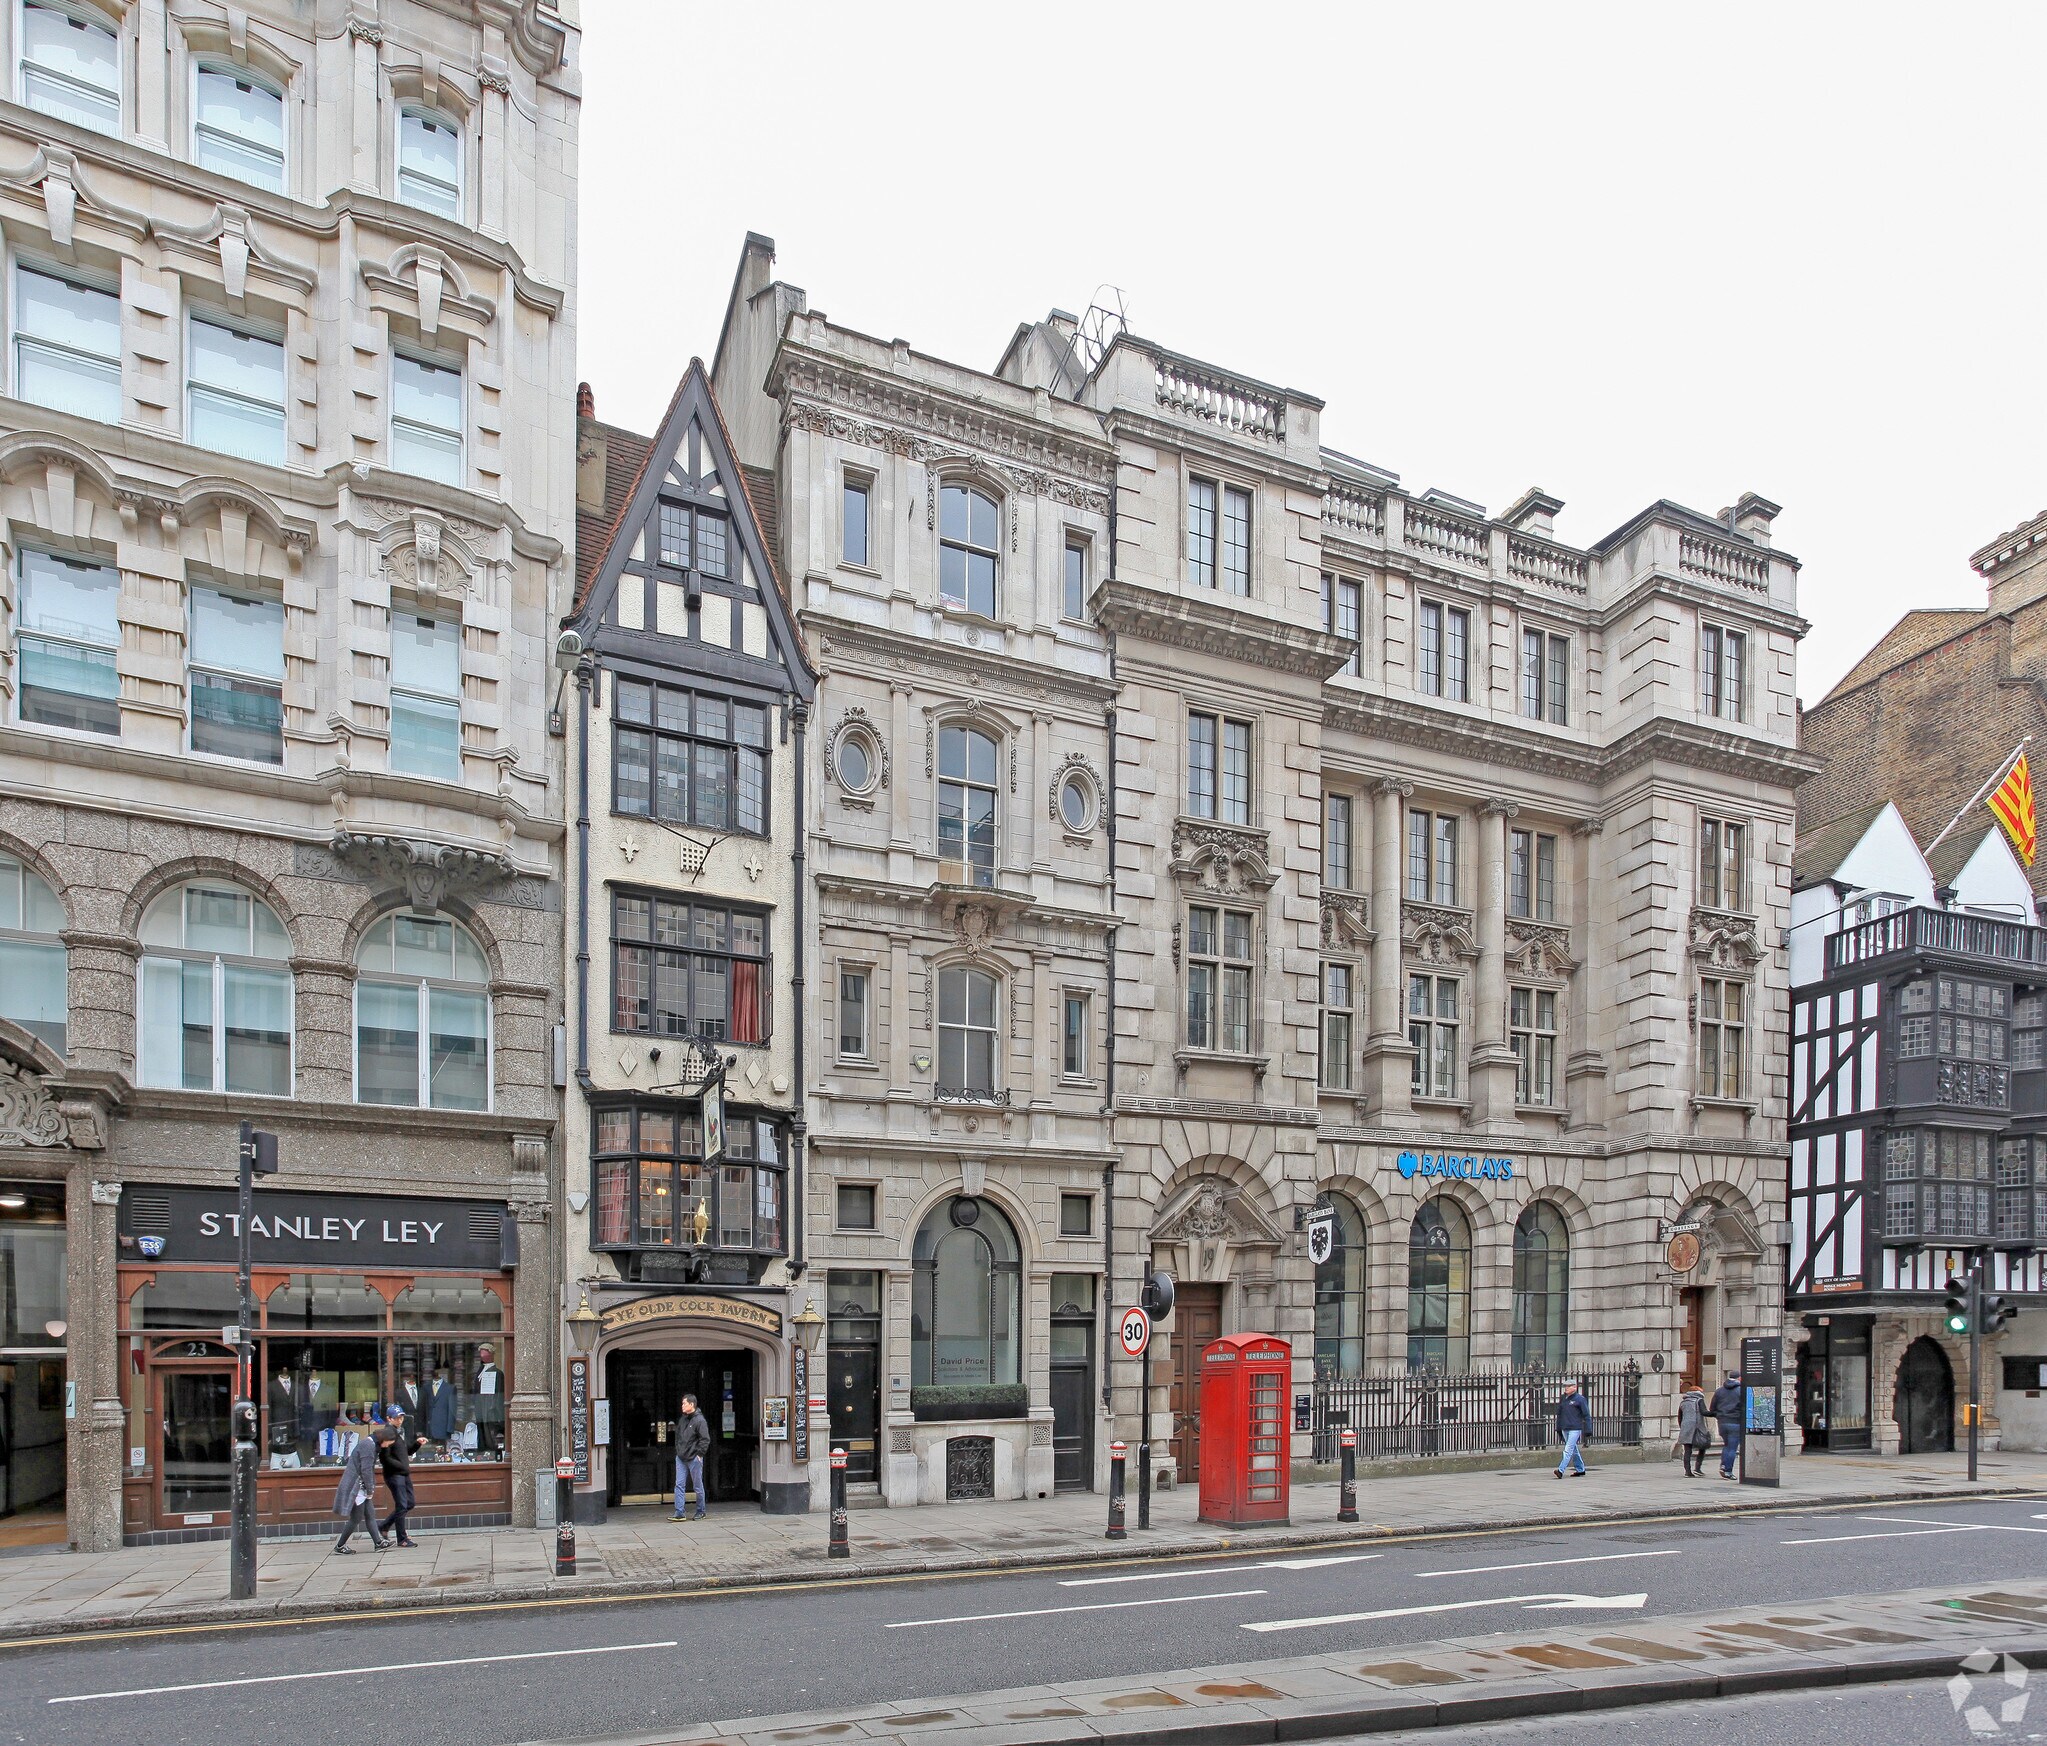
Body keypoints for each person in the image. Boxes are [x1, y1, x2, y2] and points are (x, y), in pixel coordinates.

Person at [332, 1421, 387, 1553]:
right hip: (357, 1488)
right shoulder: (369, 1446)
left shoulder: (369, 1443)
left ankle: (378, 1543)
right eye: (389, 1443)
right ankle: (340, 1546)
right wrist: (370, 1489)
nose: (388, 1446)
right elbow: (366, 1470)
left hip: (360, 1487)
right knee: (356, 1518)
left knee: (370, 1515)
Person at [376, 1406, 425, 1547]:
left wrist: (417, 1444)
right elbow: (385, 1458)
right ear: (389, 1419)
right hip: (394, 1475)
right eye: (397, 1418)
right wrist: (401, 1466)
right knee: (402, 1505)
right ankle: (402, 1539)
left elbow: (406, 1452)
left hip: (403, 1474)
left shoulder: (398, 1432)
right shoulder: (388, 1433)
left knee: (409, 1503)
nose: (400, 1420)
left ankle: (384, 1526)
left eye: (401, 1417)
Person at [672, 1392, 711, 1522]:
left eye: (684, 1403)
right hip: (681, 1457)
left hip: (694, 1458)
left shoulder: (700, 1420)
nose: (682, 1406)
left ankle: (701, 1511)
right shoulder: (682, 1419)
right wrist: (678, 1451)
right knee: (679, 1484)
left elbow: (705, 1439)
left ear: (691, 1404)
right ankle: (679, 1512)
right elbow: (678, 1436)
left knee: (697, 1485)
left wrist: (699, 1454)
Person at [1710, 1370, 1745, 1479]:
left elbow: (1712, 1408)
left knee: (1726, 1445)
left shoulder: (1719, 1391)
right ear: (1739, 1378)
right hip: (1735, 1422)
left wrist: (1719, 1416)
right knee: (1732, 1448)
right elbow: (1745, 1407)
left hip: (1722, 1422)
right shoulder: (1741, 1390)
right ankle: (1728, 1470)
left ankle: (1724, 1465)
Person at [1554, 1379, 1591, 1478]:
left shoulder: (1580, 1399)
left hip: (1575, 1428)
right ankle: (1580, 1469)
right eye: (1565, 1386)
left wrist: (1588, 1429)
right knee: (1574, 1449)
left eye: (1569, 1386)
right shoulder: (1563, 1398)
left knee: (1568, 1449)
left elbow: (1586, 1415)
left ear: (1575, 1387)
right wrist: (1558, 1428)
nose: (1566, 1388)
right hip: (1565, 1427)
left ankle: (1560, 1470)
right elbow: (1559, 1414)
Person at [1677, 1382, 1712, 1477]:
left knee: (1687, 1451)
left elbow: (1679, 1417)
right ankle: (1698, 1468)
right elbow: (1704, 1412)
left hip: (1685, 1428)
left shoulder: (1683, 1402)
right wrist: (1716, 1413)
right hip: (1697, 1428)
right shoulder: (1699, 1400)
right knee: (1702, 1447)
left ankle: (1687, 1472)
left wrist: (1682, 1427)